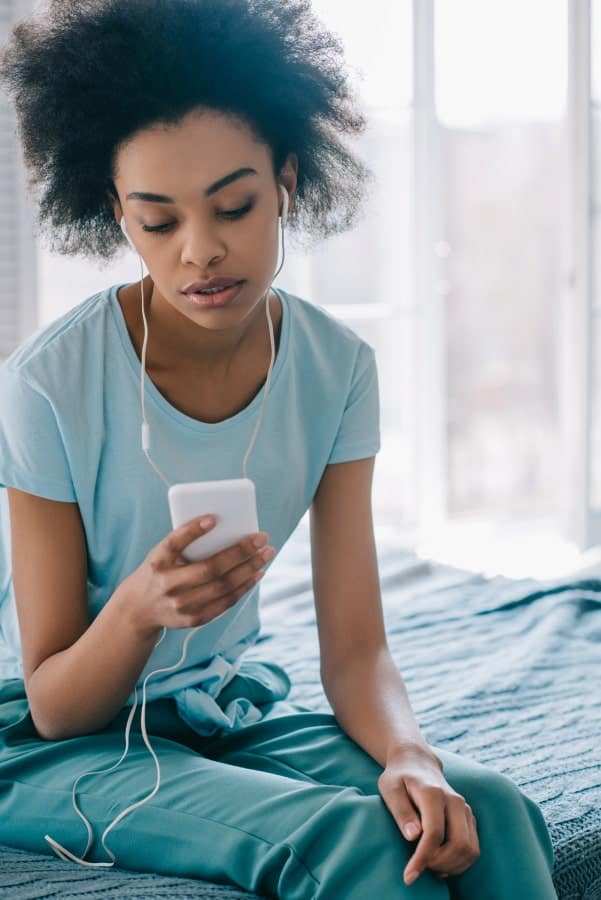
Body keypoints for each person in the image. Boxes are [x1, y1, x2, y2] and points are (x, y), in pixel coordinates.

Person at [0, 1, 557, 897]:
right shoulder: (45, 387)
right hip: (41, 743)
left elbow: (354, 649)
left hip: (217, 707)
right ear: (114, 214)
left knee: (485, 809)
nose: (201, 252)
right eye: (157, 221)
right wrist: (140, 608)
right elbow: (58, 707)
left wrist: (411, 755)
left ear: (287, 180)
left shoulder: (337, 369)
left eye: (234, 205)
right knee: (358, 845)